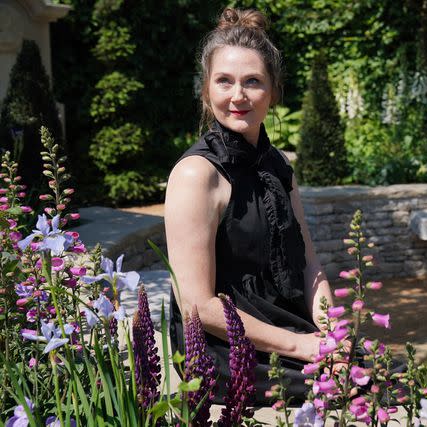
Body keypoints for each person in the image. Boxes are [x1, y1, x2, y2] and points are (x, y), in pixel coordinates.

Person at [165, 7, 334, 404]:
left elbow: (310, 265)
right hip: (224, 351)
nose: (238, 95)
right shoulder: (196, 175)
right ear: (206, 91)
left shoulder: (278, 165)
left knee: (383, 370)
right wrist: (303, 347)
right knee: (370, 389)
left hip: (285, 327)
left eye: (253, 82)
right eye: (224, 81)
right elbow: (197, 306)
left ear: (273, 92)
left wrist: (333, 335)